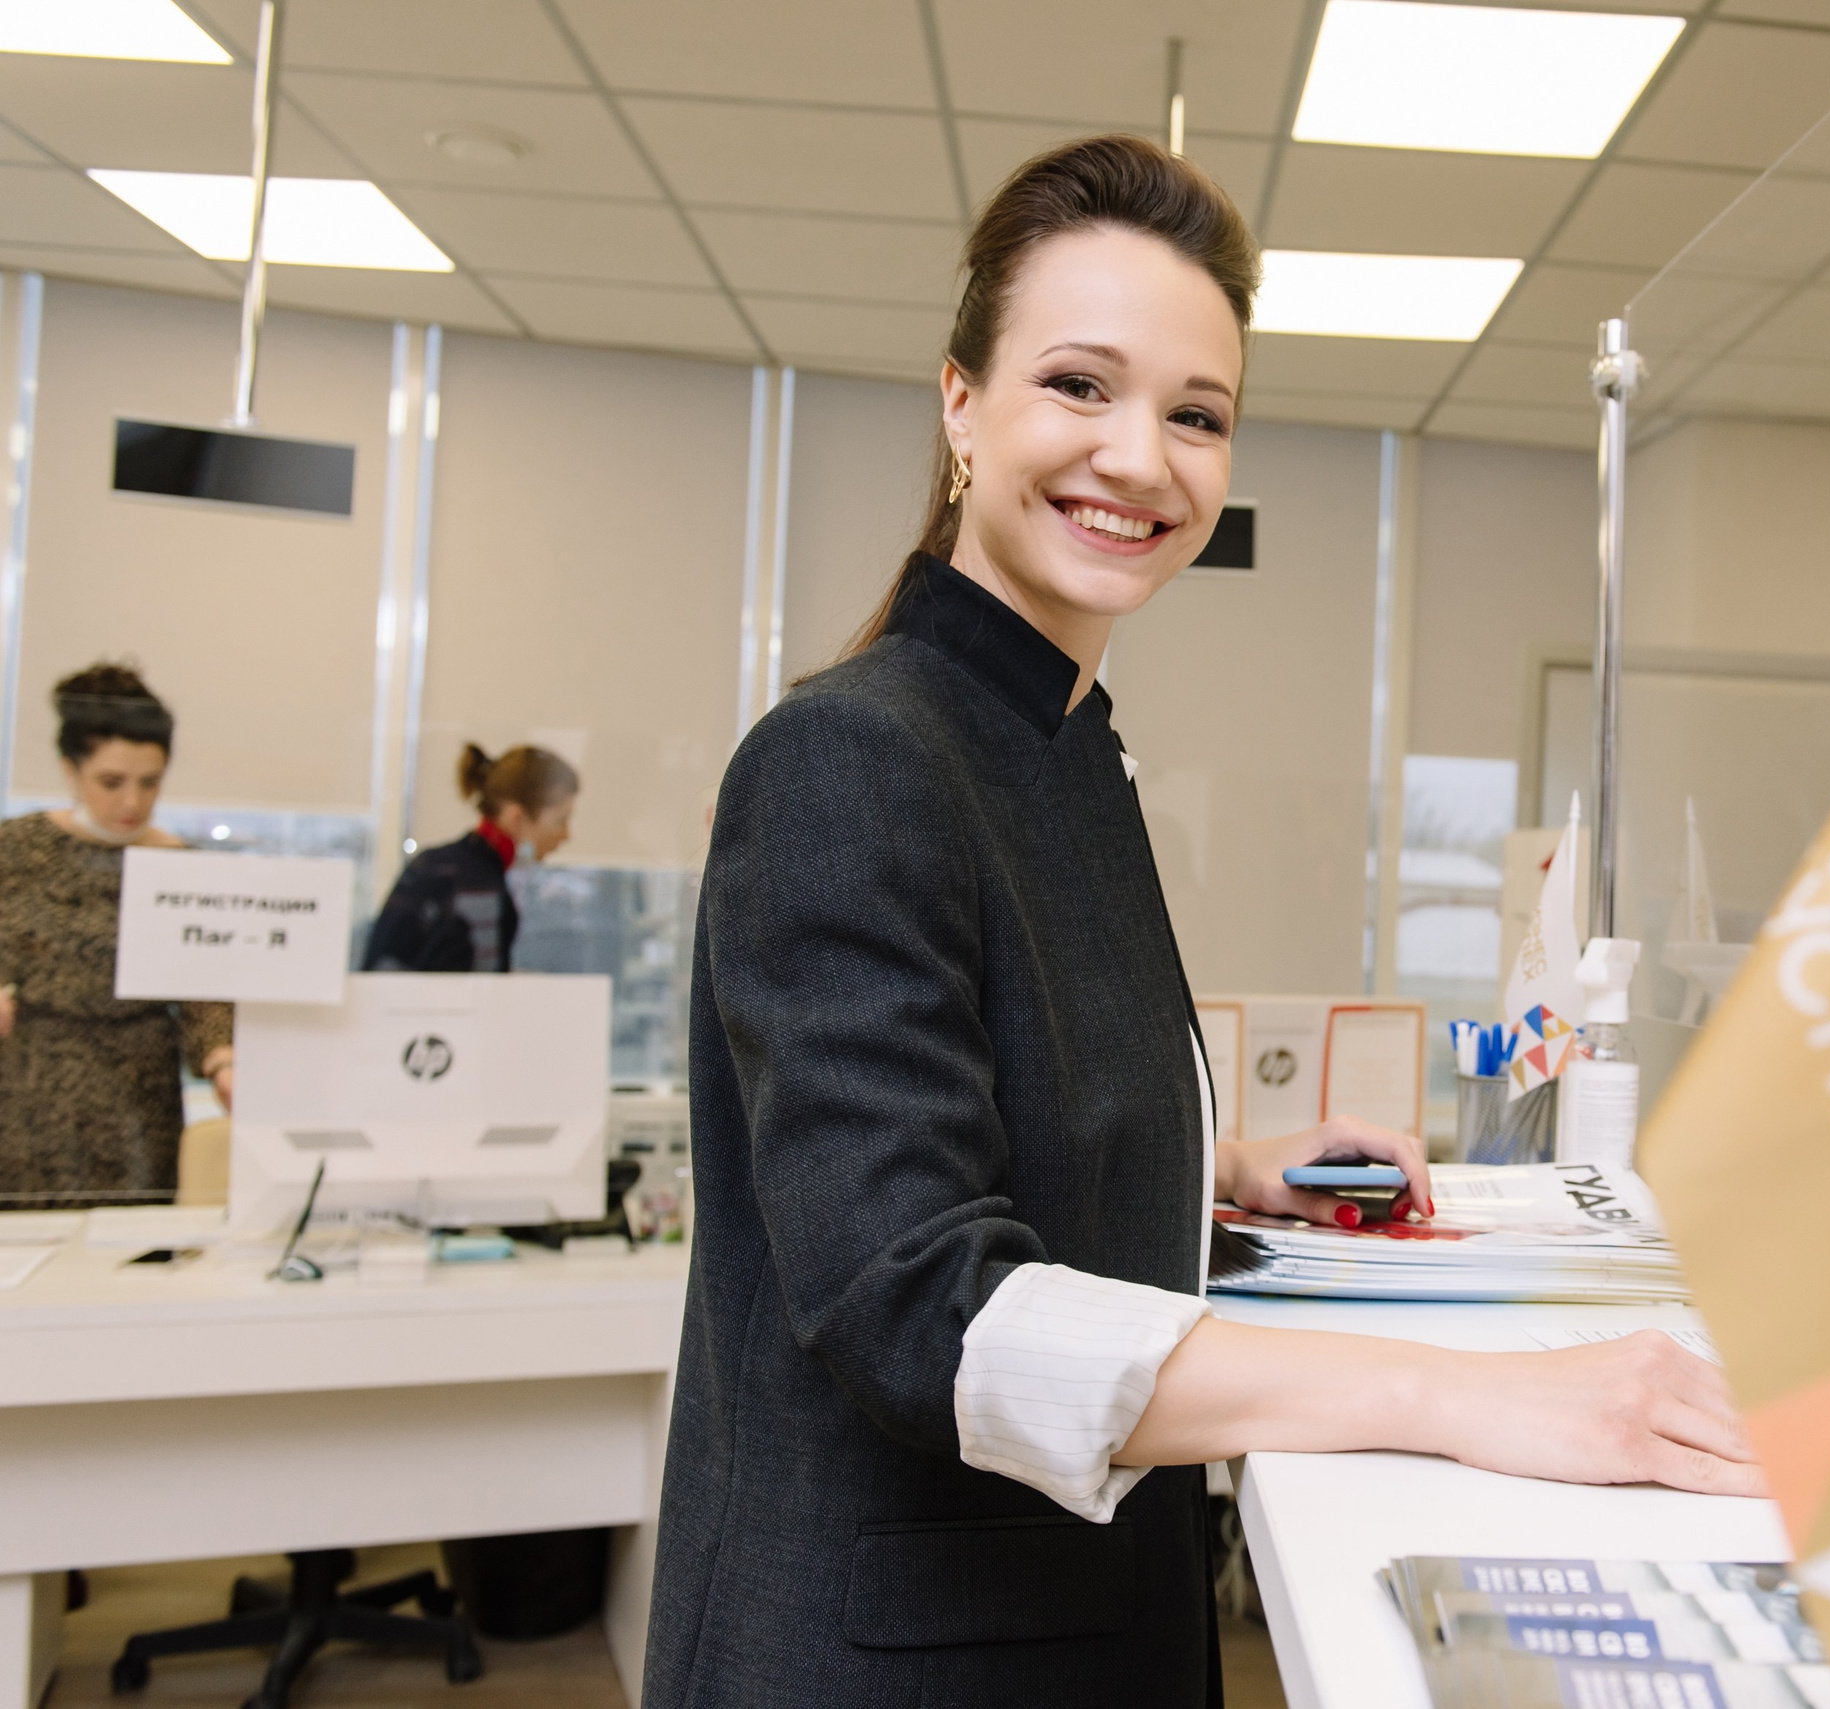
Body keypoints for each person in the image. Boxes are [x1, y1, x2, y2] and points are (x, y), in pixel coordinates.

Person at [642, 135, 1758, 1709]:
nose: (1139, 458)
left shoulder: (1059, 741)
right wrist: (1462, 1395)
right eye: (1078, 386)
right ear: (960, 404)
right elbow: (920, 1302)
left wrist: (1223, 1165)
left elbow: (997, 1091)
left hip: (1074, 1608)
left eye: (1196, 414)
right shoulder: (853, 757)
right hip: (895, 1654)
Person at [0, 663, 231, 1204]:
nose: (132, 803)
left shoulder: (184, 866)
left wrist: (222, 1059)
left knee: (134, 1237)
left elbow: (205, 991)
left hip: (138, 1096)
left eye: (150, 783)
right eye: (111, 782)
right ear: (70, 770)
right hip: (27, 1088)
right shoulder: (14, 850)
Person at [363, 742, 577, 973]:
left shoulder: (436, 864)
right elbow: (479, 986)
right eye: (560, 820)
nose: (566, 835)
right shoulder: (479, 888)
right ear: (516, 817)